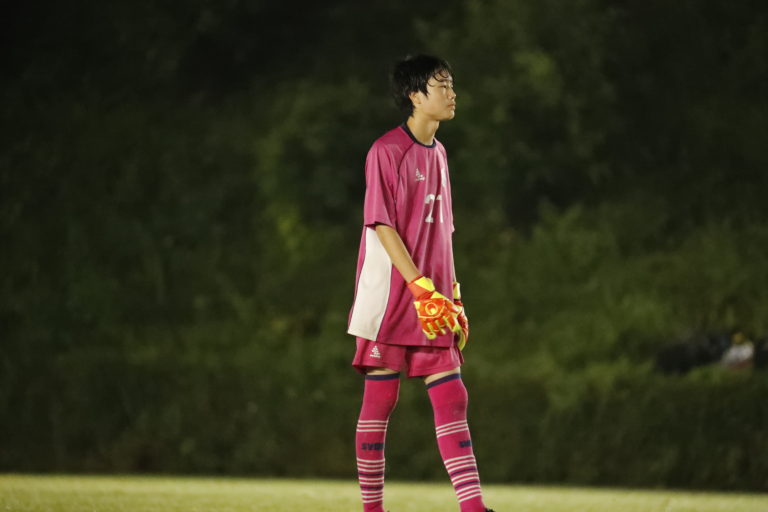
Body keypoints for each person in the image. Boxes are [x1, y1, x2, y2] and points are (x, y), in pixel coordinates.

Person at [347, 54, 493, 512]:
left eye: (451, 85)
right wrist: (418, 286)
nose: (452, 94)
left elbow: (443, 231)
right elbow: (381, 225)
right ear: (415, 95)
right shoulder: (386, 151)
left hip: (432, 299)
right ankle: (372, 510)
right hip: (393, 297)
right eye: (441, 85)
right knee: (381, 398)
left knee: (452, 395)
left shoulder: (441, 153)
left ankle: (473, 508)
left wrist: (453, 293)